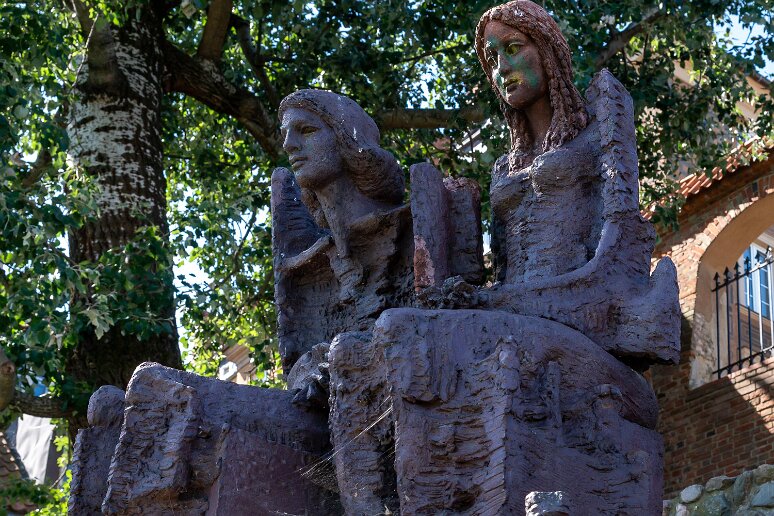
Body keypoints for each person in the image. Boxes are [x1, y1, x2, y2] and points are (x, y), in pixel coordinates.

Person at [272, 89, 414, 376]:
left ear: (346, 137)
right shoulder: (309, 262)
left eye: (306, 130)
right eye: (285, 133)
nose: (288, 145)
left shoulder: (410, 227)